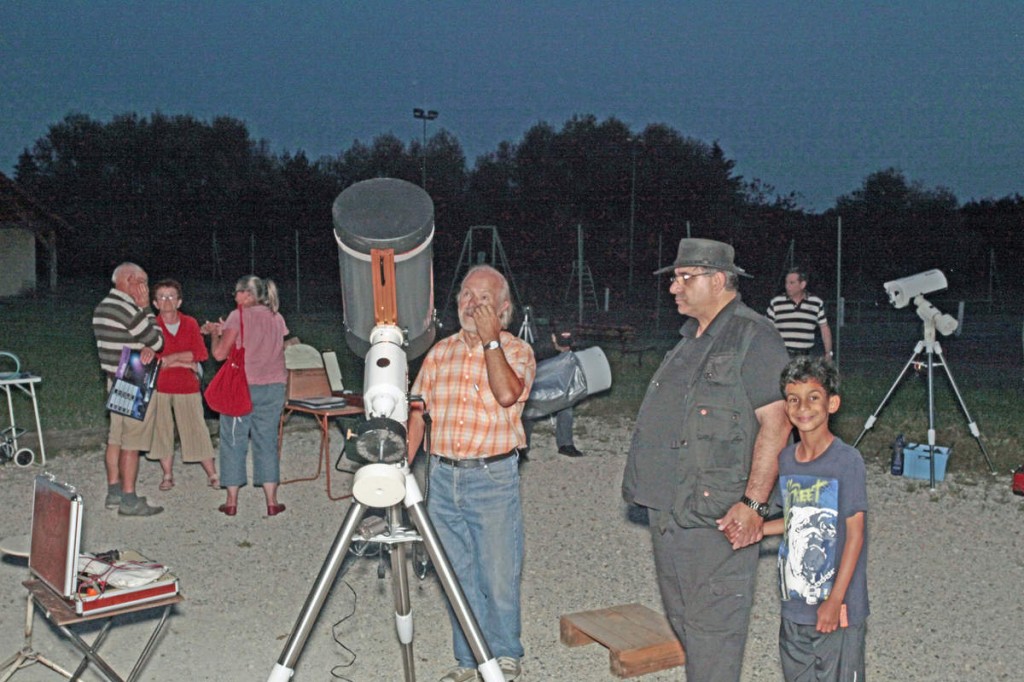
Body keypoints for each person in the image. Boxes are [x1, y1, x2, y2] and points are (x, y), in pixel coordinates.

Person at [622, 238, 791, 682]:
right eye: (674, 278)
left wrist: (753, 505)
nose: (674, 288)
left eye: (684, 278)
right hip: (671, 507)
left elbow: (777, 425)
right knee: (687, 624)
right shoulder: (690, 339)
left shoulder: (755, 338)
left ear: (718, 281)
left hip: (717, 515)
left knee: (713, 633)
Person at [406, 265, 536, 682]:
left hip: (492, 478)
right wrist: (400, 469)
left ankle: (504, 653)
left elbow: (506, 394)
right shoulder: (439, 352)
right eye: (465, 294)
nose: (471, 304)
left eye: (483, 299)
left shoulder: (517, 351)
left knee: (497, 574)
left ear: (502, 309)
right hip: (442, 478)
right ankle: (470, 660)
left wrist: (490, 341)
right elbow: (417, 415)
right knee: (455, 573)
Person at [761, 357, 868, 681]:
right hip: (795, 604)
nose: (802, 406)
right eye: (793, 399)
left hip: (837, 607)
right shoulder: (787, 459)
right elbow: (795, 518)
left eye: (813, 397)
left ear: (832, 403)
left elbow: (855, 535)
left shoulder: (846, 461)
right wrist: (756, 530)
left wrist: (835, 600)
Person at [202, 275, 288, 517]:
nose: (234, 297)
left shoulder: (237, 316)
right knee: (267, 441)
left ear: (247, 295)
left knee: (232, 440)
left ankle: (231, 501)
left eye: (237, 293)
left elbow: (220, 354)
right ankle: (272, 501)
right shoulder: (276, 317)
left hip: (243, 385)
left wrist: (215, 334)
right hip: (274, 385)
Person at [92, 262, 165, 517]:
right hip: (133, 378)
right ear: (130, 281)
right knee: (131, 442)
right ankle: (129, 499)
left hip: (115, 376)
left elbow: (131, 340)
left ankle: (114, 491)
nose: (145, 288)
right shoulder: (129, 309)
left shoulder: (103, 306)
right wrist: (146, 310)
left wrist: (143, 345)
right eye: (143, 282)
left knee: (116, 438)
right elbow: (157, 339)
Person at [146, 279, 218, 491]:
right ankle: (167, 475)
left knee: (197, 429)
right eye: (162, 297)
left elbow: (201, 354)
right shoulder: (151, 326)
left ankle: (212, 474)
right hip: (160, 386)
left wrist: (174, 359)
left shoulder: (190, 323)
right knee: (162, 431)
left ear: (179, 301)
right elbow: (154, 359)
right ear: (155, 303)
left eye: (171, 296)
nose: (167, 301)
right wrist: (186, 362)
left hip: (187, 386)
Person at [522, 322, 584, 458]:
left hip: (558, 386)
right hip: (536, 386)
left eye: (569, 343)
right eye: (563, 343)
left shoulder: (573, 349)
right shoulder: (539, 349)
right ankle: (521, 447)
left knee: (567, 403)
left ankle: (565, 444)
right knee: (528, 409)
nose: (566, 347)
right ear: (553, 338)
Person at [767, 267, 834, 358]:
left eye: (791, 283)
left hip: (806, 356)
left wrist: (828, 353)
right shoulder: (776, 302)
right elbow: (767, 327)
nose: (787, 286)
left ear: (802, 284)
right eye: (786, 282)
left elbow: (824, 328)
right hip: (782, 355)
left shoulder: (816, 303)